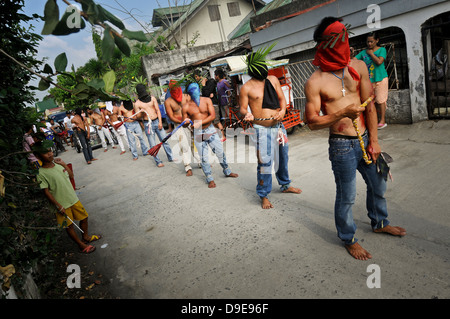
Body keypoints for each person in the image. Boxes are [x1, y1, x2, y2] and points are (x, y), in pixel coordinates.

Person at [304, 17, 406, 260]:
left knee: (379, 185)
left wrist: (375, 140)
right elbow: (312, 123)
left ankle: (380, 222)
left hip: (365, 137)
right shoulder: (315, 81)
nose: (345, 46)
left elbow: (370, 107)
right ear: (326, 45)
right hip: (341, 145)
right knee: (347, 196)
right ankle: (348, 238)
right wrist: (341, 113)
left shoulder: (359, 66)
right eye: (339, 41)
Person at [239, 53, 302, 210]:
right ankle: (263, 194)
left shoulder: (273, 80)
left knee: (283, 157)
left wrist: (282, 111)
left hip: (279, 127)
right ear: (252, 70)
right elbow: (242, 107)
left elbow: (282, 100)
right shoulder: (246, 88)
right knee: (265, 162)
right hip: (261, 130)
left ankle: (285, 184)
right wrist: (246, 113)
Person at [33, 142, 101, 253]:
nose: (50, 154)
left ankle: (86, 237)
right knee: (69, 226)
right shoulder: (41, 173)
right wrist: (58, 205)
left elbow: (71, 176)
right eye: (45, 153)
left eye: (50, 151)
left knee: (84, 217)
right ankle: (81, 245)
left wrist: (64, 164)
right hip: (61, 204)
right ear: (38, 156)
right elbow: (46, 192)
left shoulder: (58, 165)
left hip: (73, 199)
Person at [182, 82, 238, 188]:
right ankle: (209, 178)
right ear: (189, 93)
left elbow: (212, 116)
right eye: (192, 91)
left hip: (210, 130)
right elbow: (184, 124)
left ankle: (227, 171)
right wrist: (186, 122)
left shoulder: (207, 100)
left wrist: (199, 123)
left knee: (220, 152)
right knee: (203, 157)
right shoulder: (186, 107)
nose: (195, 93)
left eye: (196, 90)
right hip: (199, 133)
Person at [355, 32, 389, 129]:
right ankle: (372, 121)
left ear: (377, 40)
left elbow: (379, 62)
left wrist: (371, 54)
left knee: (380, 100)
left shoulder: (382, 50)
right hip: (369, 81)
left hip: (380, 79)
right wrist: (351, 53)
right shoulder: (363, 52)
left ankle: (382, 120)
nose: (369, 44)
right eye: (368, 42)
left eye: (371, 41)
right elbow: (353, 60)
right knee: (370, 101)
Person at [135, 84, 173, 167]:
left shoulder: (152, 98)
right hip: (147, 124)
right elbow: (138, 117)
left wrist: (160, 122)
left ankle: (170, 157)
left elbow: (158, 110)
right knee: (152, 144)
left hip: (156, 121)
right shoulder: (137, 103)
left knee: (164, 141)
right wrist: (141, 112)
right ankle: (158, 161)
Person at [164, 80, 197, 176]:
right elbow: (171, 116)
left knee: (195, 143)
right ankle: (187, 167)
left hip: (190, 122)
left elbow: (192, 108)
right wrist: (181, 122)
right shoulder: (168, 101)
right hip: (179, 125)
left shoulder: (186, 96)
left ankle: (200, 162)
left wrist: (191, 120)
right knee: (184, 145)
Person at [194, 69, 225, 141]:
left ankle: (223, 136)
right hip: (209, 105)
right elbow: (205, 95)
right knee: (213, 122)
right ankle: (218, 136)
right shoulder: (202, 84)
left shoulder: (211, 82)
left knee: (217, 122)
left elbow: (207, 93)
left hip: (213, 104)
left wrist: (204, 85)